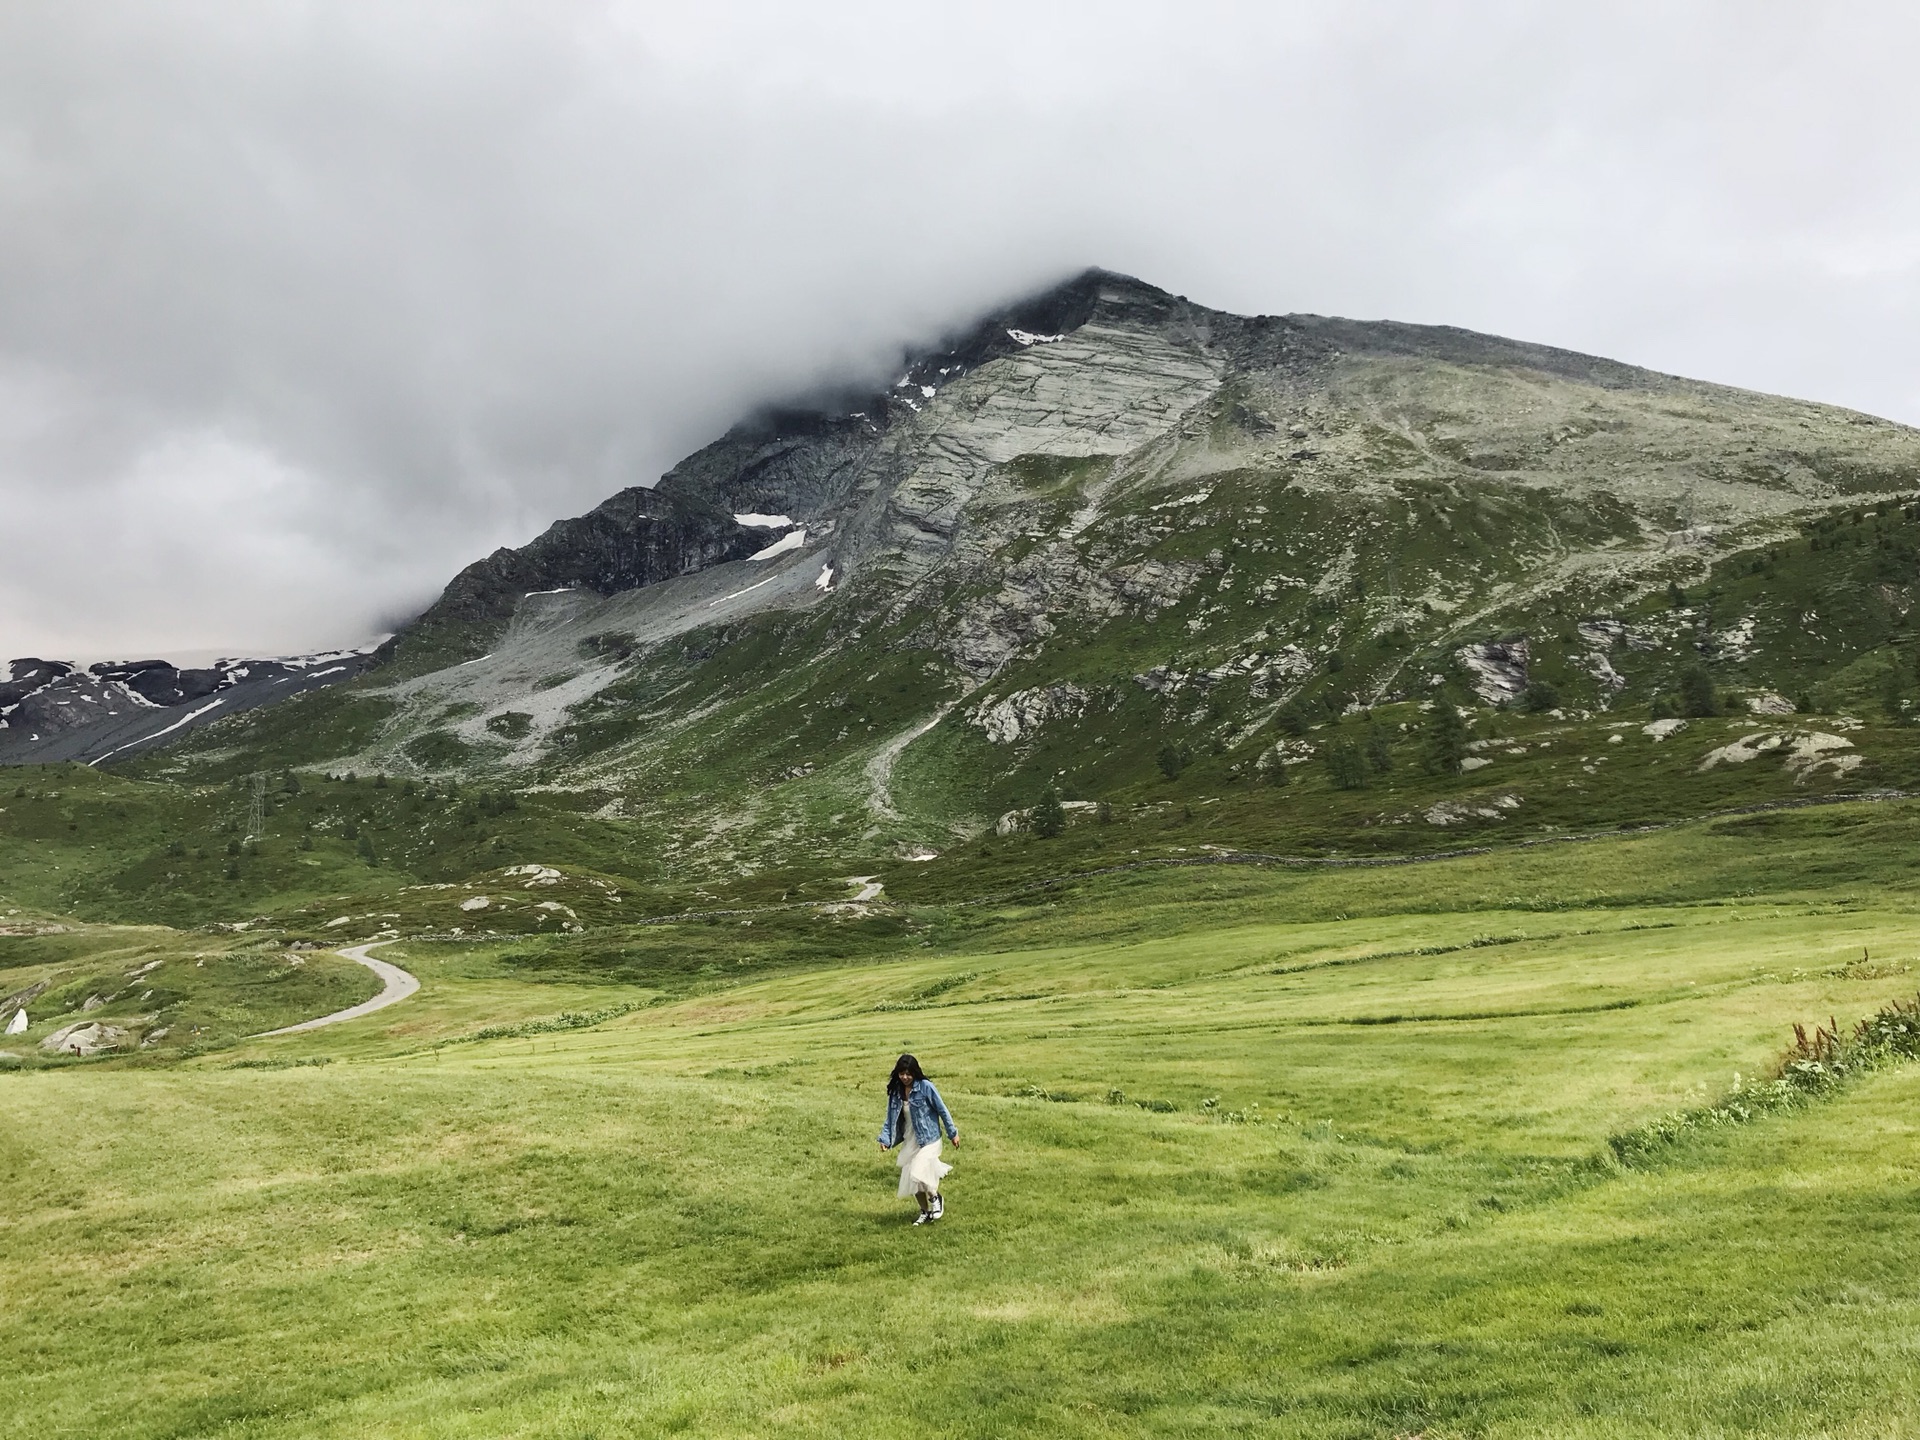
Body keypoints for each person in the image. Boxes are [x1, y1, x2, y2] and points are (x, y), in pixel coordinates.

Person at [877, 1052, 959, 1224]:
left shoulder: (925, 1087)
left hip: (929, 1138)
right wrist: (885, 1139)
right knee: (911, 1178)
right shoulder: (896, 1092)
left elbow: (942, 1110)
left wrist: (953, 1133)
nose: (905, 1077)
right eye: (902, 1073)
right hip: (910, 1139)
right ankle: (924, 1212)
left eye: (908, 1073)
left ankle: (936, 1199)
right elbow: (890, 1118)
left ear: (915, 1072)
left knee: (918, 1170)